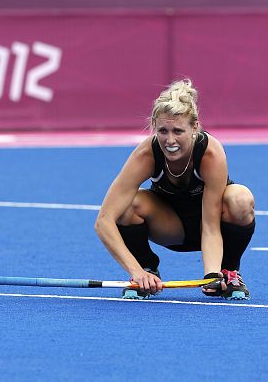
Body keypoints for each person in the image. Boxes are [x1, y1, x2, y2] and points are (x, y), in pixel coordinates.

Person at [94, 79, 255, 300]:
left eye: (178, 131)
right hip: (170, 228)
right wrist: (135, 271)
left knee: (240, 198)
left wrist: (210, 275)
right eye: (163, 131)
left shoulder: (211, 154)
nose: (170, 140)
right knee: (127, 205)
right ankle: (148, 270)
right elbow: (104, 220)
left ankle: (228, 272)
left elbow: (210, 226)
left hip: (210, 227)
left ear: (195, 128)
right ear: (154, 127)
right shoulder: (146, 155)